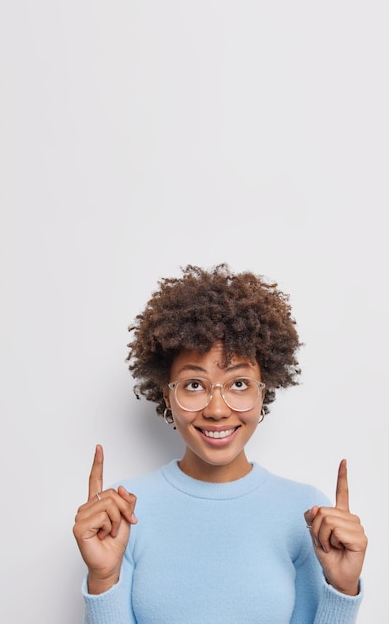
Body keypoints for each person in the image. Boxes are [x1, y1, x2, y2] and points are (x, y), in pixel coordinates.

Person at [73, 264, 367, 623]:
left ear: (264, 393)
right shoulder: (124, 513)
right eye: (194, 384)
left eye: (239, 384)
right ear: (167, 396)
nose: (216, 409)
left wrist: (343, 591)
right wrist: (103, 579)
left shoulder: (307, 513)